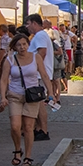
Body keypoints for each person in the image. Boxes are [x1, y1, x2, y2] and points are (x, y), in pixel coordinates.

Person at [0, 33, 54, 166]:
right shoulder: (10, 59)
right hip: (15, 95)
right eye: (19, 45)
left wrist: (51, 93)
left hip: (32, 96)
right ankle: (18, 150)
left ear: (28, 45)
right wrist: (2, 96)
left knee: (29, 127)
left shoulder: (36, 58)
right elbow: (4, 79)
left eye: (24, 44)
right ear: (14, 47)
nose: (22, 47)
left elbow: (44, 76)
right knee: (15, 126)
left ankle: (28, 156)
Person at [25, 14, 54, 142]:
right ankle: (38, 128)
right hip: (39, 73)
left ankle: (43, 130)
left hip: (39, 74)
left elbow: (42, 52)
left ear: (34, 23)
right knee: (37, 103)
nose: (27, 27)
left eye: (28, 24)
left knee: (40, 103)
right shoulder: (40, 36)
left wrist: (35, 67)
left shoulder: (40, 36)